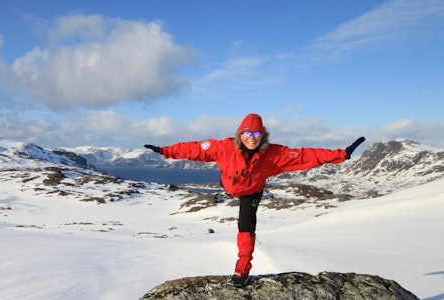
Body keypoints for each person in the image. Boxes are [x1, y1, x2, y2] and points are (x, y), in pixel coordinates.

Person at [144, 113, 365, 287]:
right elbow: (194, 149)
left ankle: (242, 270)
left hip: (252, 192)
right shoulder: (224, 148)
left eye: (257, 134)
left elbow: (307, 155)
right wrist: (166, 151)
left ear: (263, 137)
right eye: (247, 133)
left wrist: (341, 154)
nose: (251, 138)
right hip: (229, 185)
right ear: (240, 134)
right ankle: (229, 187)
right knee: (229, 183)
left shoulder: (274, 154)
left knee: (246, 227)